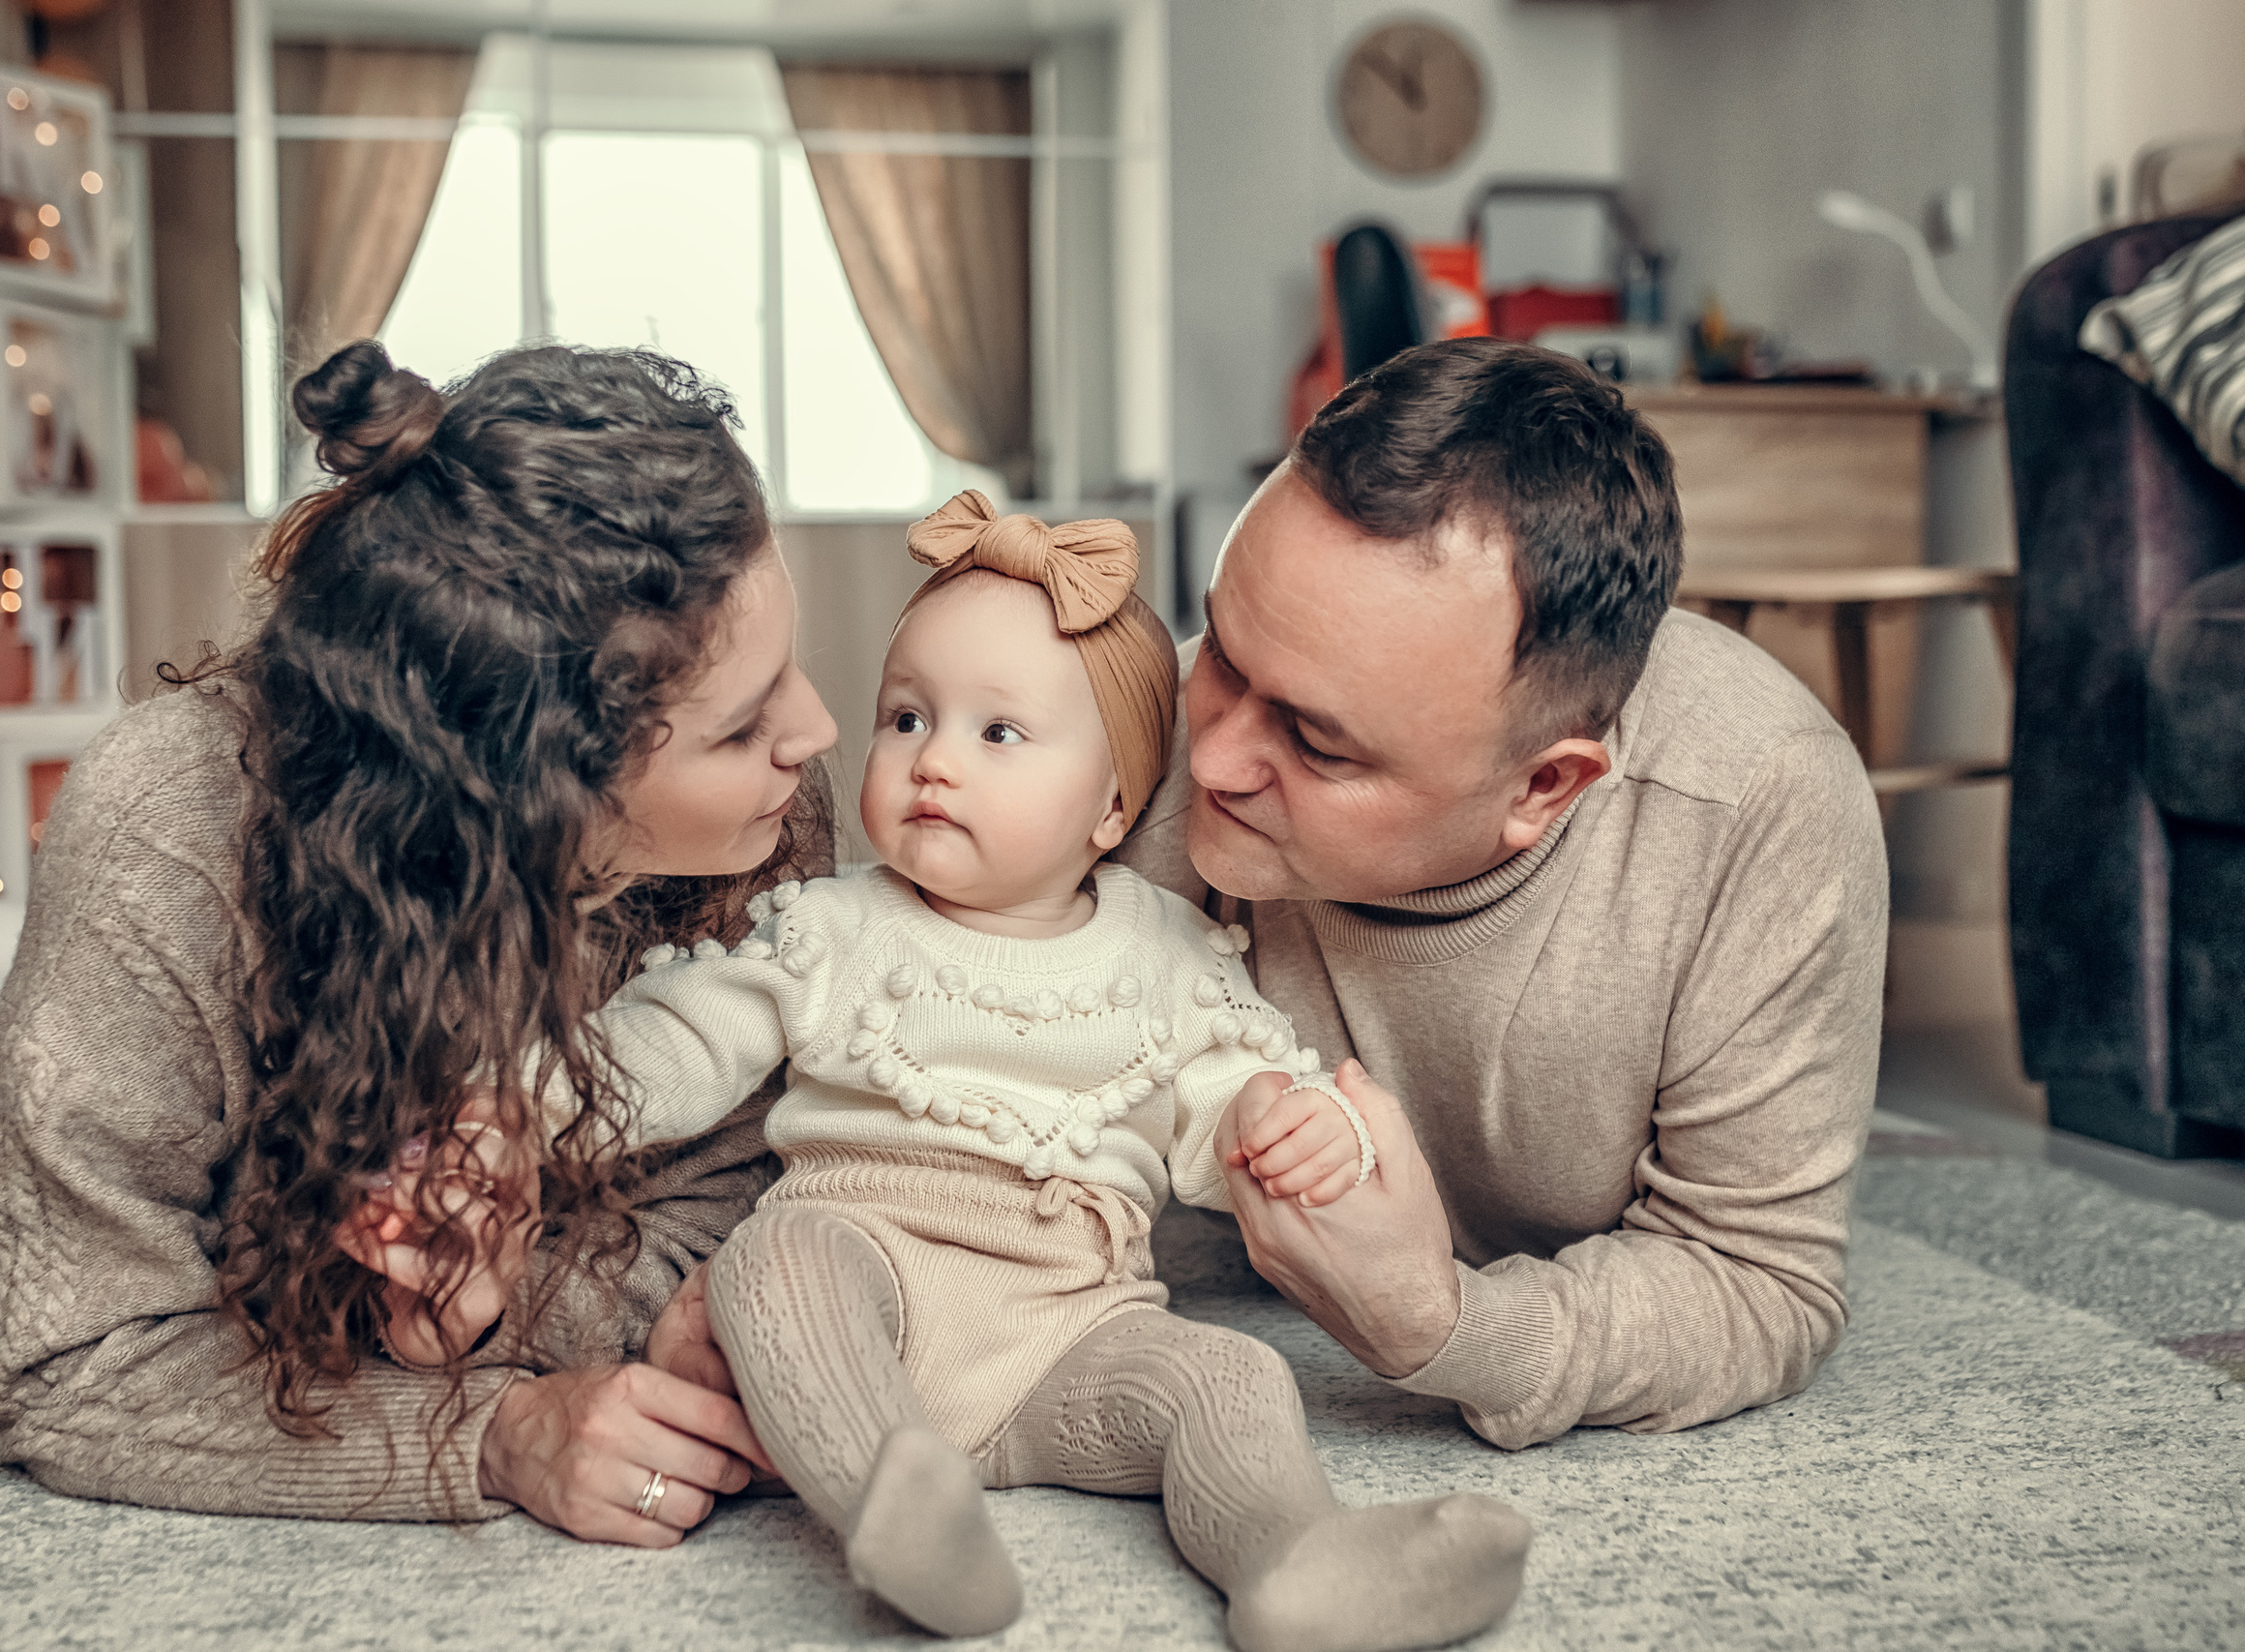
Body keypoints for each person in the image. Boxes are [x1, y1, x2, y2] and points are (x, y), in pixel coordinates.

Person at [560, 491, 1530, 1650]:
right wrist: (517, 1110)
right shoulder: (830, 926)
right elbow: (672, 1044)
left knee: (1227, 1376)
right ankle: (897, 1505)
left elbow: (1241, 1112)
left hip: (1071, 1337)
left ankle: (1294, 1561)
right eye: (906, 718)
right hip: (868, 1294)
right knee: (771, 1265)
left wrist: (1307, 1131)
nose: (933, 762)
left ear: (1112, 805)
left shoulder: (1169, 955)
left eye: (998, 734)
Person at [0, 341, 838, 1544]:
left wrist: (495, 1298)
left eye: (787, 667)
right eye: (739, 728)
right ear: (528, 786)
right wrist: (493, 1428)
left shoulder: (765, 812)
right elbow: (72, 1356)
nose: (816, 729)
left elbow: (741, 1201)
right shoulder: (162, 832)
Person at [1119, 337, 1889, 1453]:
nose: (1214, 758)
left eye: (1318, 745)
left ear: (1543, 788)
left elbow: (1756, 1282)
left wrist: (1439, 1323)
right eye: (1226, 655)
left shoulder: (1755, 803)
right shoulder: (1133, 726)